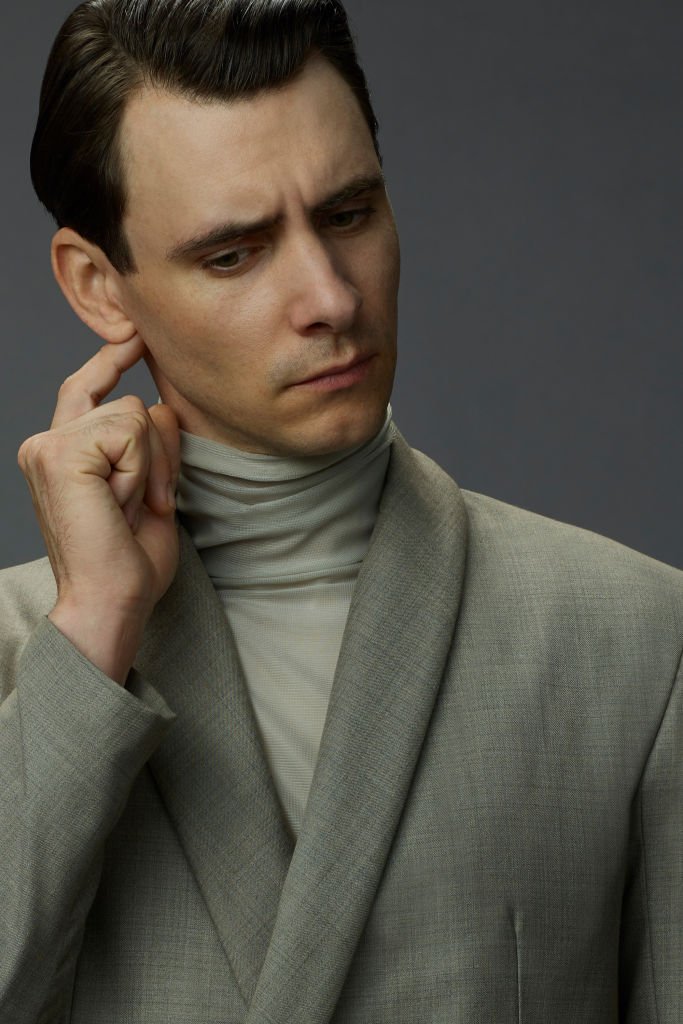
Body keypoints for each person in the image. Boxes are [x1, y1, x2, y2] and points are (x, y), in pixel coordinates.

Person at [1, 0, 681, 1020]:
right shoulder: (21, 655)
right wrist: (92, 626)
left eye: (349, 214)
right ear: (100, 285)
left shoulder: (636, 640)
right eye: (233, 253)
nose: (329, 296)